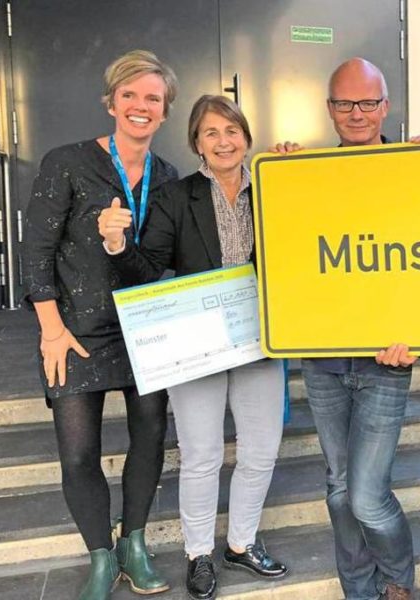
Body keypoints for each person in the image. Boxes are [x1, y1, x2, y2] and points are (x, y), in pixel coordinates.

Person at [98, 94, 289, 600]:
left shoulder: (275, 187)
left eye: (231, 131)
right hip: (198, 343)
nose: (223, 141)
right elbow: (147, 268)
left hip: (262, 339)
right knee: (202, 455)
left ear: (246, 136)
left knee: (262, 450)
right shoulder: (176, 197)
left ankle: (242, 544)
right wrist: (118, 247)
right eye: (211, 133)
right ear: (196, 144)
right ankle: (199, 553)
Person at [270, 57, 420, 600]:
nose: (357, 113)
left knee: (366, 496)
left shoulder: (416, 169)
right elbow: (290, 251)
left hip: (387, 361)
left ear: (386, 107)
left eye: (368, 102)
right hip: (323, 361)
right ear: (330, 110)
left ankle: (397, 580)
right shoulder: (308, 174)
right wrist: (285, 175)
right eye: (346, 103)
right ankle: (359, 590)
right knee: (339, 488)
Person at [21, 50, 178, 599]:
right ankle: (100, 554)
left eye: (152, 98)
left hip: (143, 330)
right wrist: (50, 328)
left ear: (164, 112)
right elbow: (36, 251)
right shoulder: (66, 161)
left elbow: (158, 262)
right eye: (129, 95)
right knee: (79, 453)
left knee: (150, 437)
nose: (140, 106)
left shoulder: (167, 177)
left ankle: (134, 542)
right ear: (111, 102)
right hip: (73, 331)